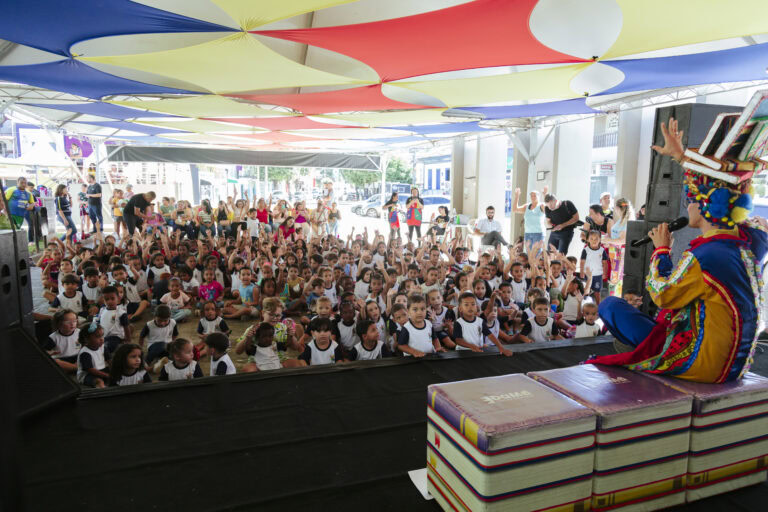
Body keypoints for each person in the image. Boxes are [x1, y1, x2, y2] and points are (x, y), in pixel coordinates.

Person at [588, 117, 768, 383]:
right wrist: (682, 158)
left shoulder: (706, 256)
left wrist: (662, 250)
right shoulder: (752, 242)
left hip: (704, 365)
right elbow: (742, 209)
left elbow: (662, 294)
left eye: (691, 199)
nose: (688, 206)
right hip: (735, 366)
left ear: (705, 206)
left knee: (611, 306)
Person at [77, 321, 108, 388]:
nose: (101, 339)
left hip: (101, 370)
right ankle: (103, 390)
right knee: (98, 381)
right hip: (87, 374)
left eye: (102, 336)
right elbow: (90, 369)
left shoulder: (102, 347)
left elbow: (109, 360)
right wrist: (106, 375)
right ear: (87, 339)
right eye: (98, 336)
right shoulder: (85, 353)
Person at [6, 176, 36, 240]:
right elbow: (4, 200)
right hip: (9, 215)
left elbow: (32, 203)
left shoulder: (29, 193)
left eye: (25, 183)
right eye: (21, 183)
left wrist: (31, 206)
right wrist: (4, 211)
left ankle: (15, 244)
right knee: (9, 231)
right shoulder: (11, 189)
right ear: (17, 182)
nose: (23, 184)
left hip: (20, 216)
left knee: (17, 231)